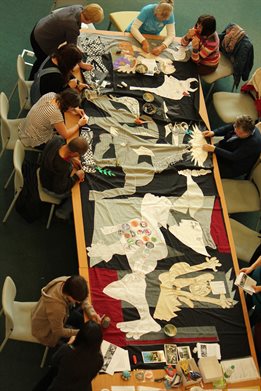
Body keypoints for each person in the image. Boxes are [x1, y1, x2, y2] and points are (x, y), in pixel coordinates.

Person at [29, 3, 104, 79]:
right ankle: (33, 80)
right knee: (42, 62)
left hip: (40, 27)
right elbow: (72, 50)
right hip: (42, 40)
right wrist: (81, 64)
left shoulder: (78, 7)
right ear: (90, 20)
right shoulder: (72, 26)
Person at [32, 321, 103, 391]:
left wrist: (69, 344)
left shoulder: (66, 350)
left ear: (79, 336)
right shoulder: (99, 360)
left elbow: (54, 361)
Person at [32, 275, 100, 348]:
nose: (79, 303)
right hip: (46, 332)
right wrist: (80, 332)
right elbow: (58, 331)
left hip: (57, 317)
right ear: (69, 295)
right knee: (79, 345)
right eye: (76, 301)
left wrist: (91, 312)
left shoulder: (67, 282)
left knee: (81, 319)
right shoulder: (57, 308)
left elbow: (83, 297)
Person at [18, 89, 87, 149]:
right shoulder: (55, 113)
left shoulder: (51, 95)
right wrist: (79, 124)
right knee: (64, 144)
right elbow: (65, 135)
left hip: (26, 127)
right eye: (73, 107)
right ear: (69, 106)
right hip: (32, 138)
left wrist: (74, 109)